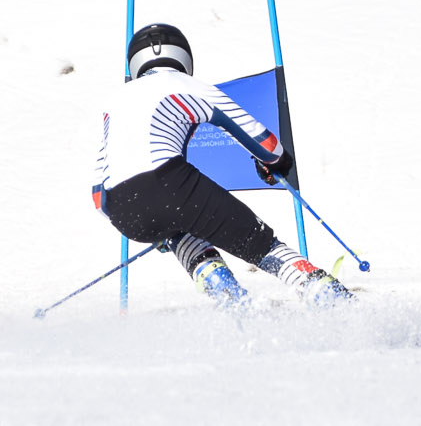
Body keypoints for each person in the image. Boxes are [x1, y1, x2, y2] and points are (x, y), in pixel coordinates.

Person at [91, 23, 352, 308]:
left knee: (178, 229)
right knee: (260, 245)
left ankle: (226, 293)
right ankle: (333, 301)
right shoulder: (185, 84)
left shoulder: (112, 103)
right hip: (170, 182)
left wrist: (143, 221)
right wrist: (277, 162)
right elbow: (263, 142)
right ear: (183, 58)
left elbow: (97, 195)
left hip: (120, 207)